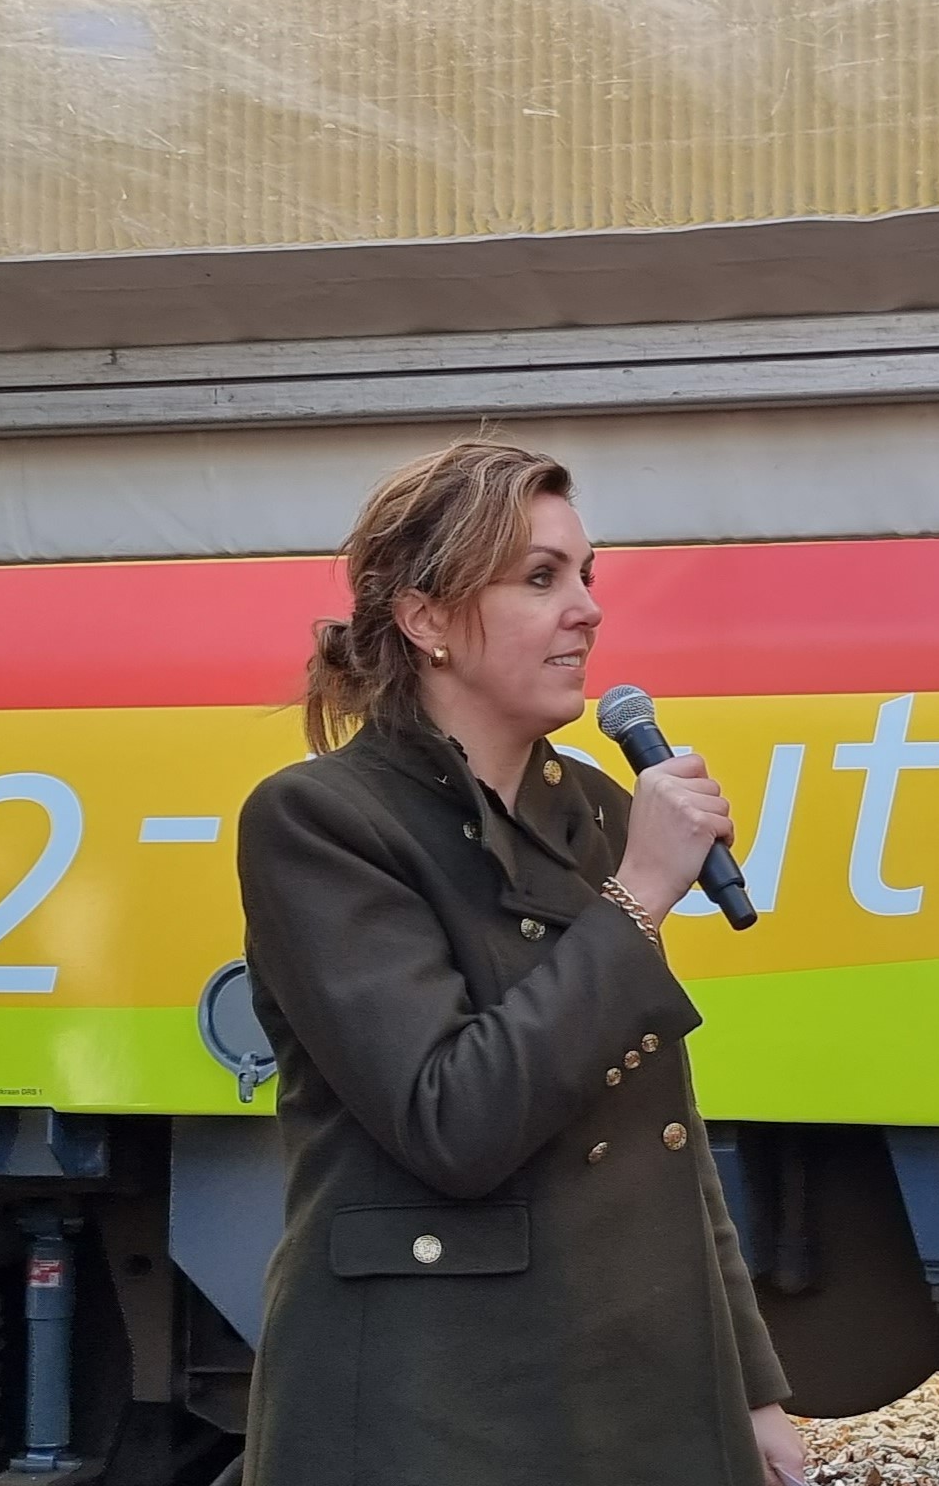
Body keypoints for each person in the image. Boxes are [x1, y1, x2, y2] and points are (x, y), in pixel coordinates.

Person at [232, 440, 804, 1485]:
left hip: (620, 1393)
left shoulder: (595, 811)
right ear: (428, 620)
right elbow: (453, 1117)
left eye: (587, 576)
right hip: (427, 1410)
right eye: (541, 578)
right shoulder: (319, 822)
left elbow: (662, 1138)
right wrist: (634, 902)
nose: (587, 608)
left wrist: (752, 1387)